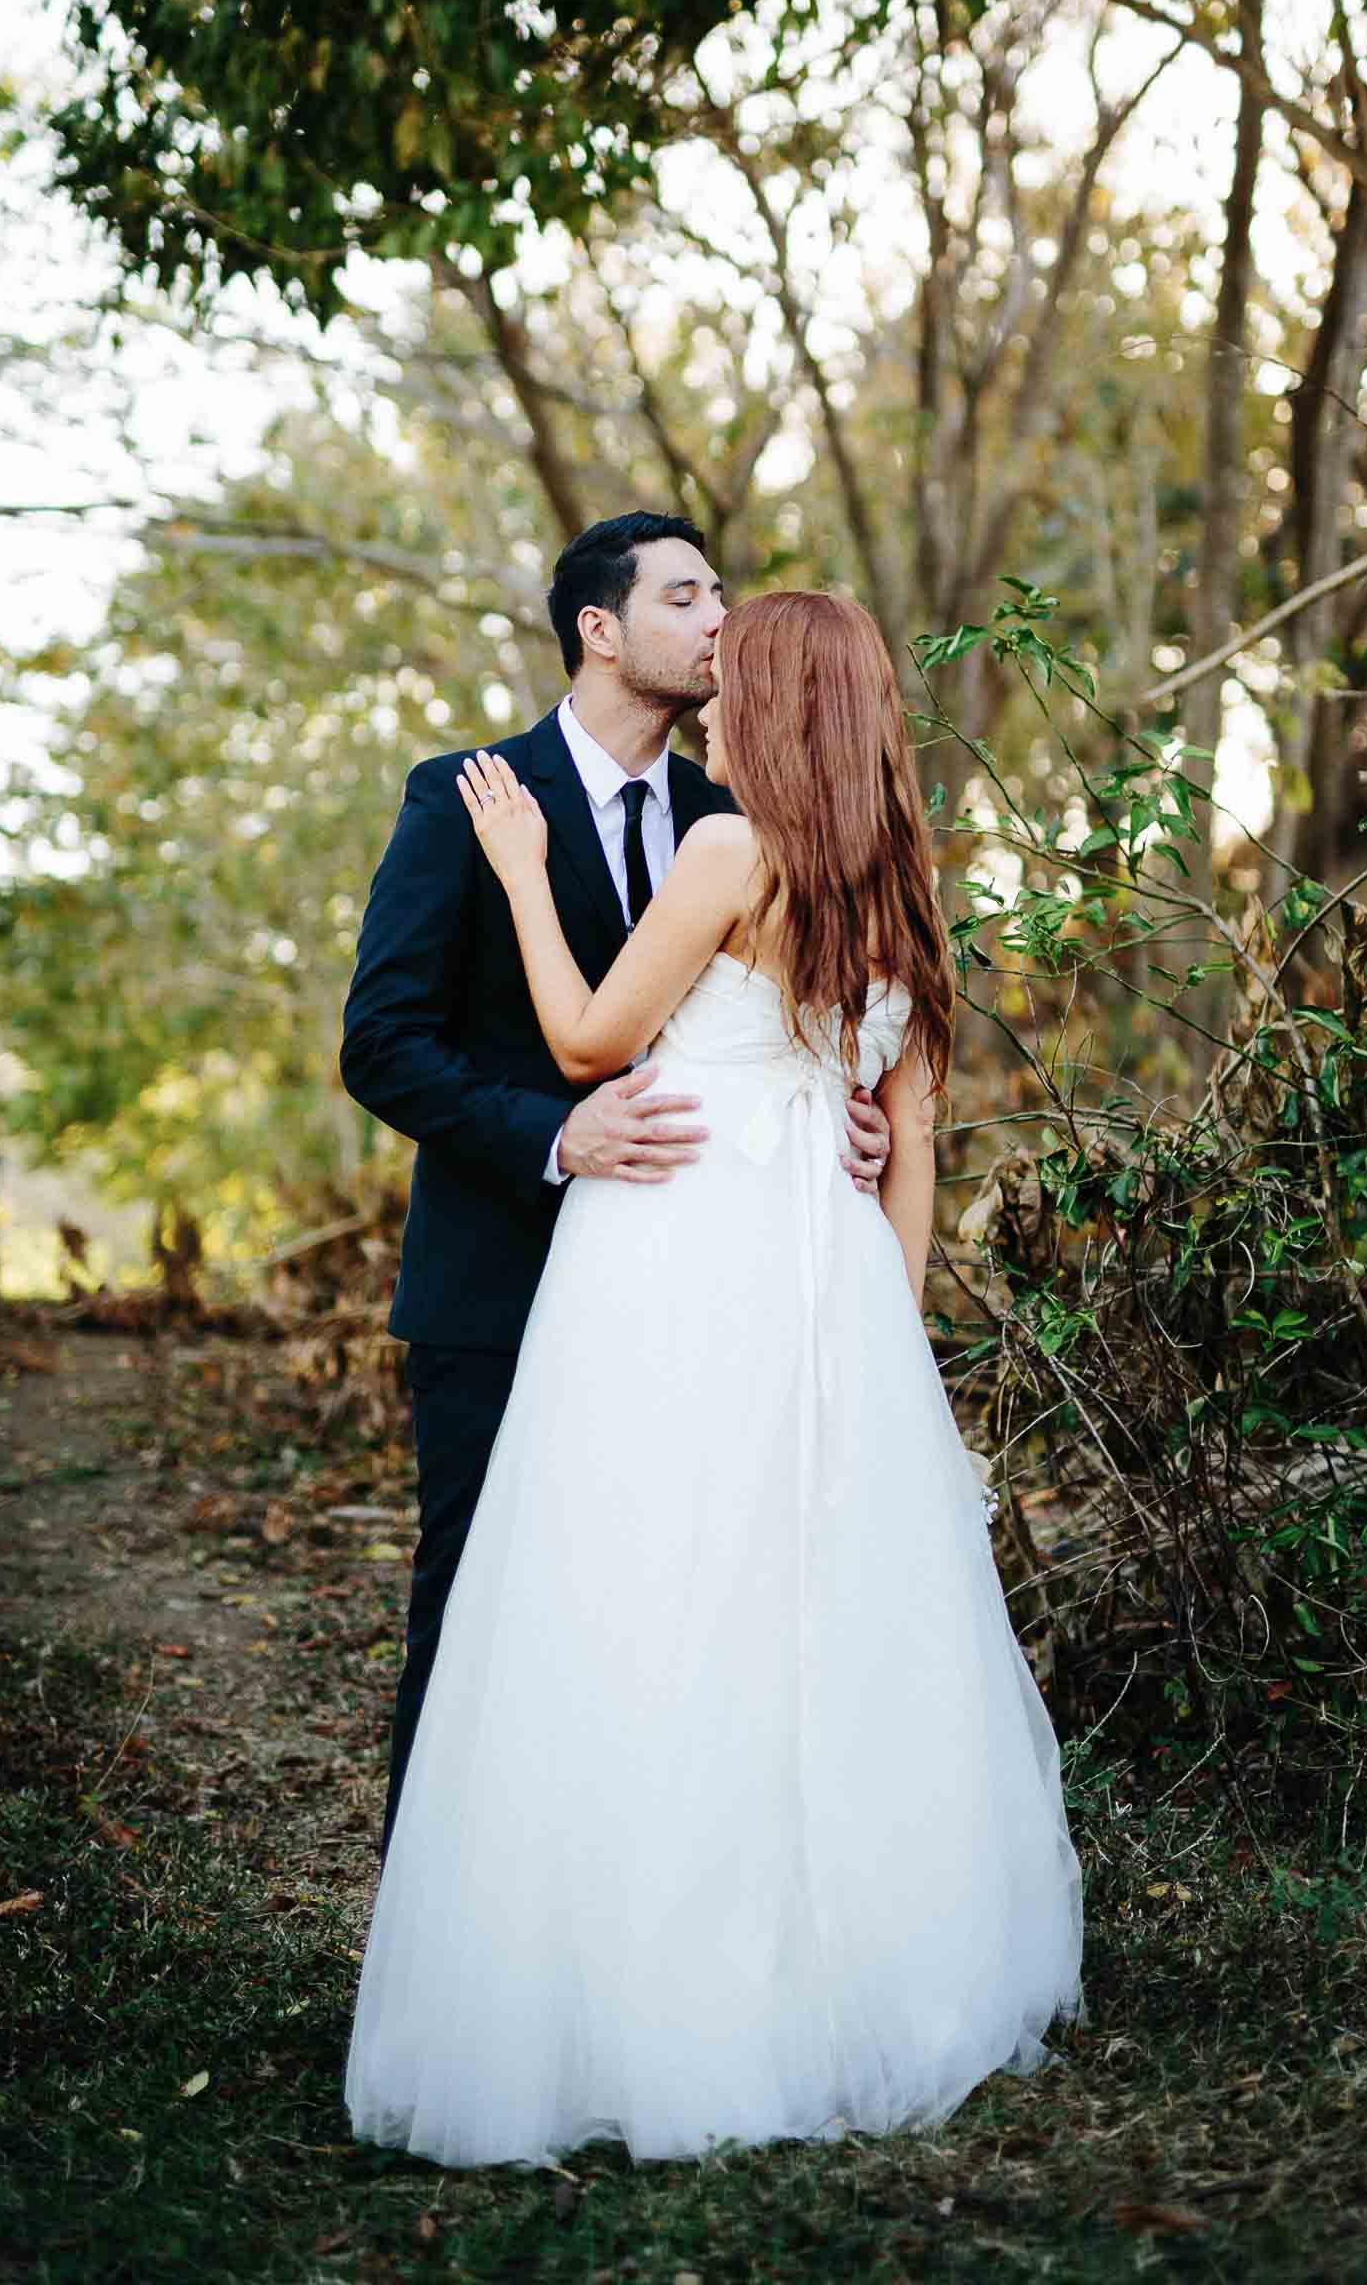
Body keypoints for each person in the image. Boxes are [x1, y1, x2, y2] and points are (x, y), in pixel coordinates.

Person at [346, 588, 1082, 2169]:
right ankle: (840, 1968)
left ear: (775, 712)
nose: (713, 700)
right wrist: (886, 1347)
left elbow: (591, 1040)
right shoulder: (902, 885)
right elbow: (913, 1138)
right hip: (827, 1287)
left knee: (645, 1594)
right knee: (807, 1620)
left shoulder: (726, 855)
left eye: (736, 679)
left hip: (676, 1268)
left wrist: (530, 882)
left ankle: (643, 1974)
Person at [340, 514, 892, 1852]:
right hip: (502, 1279)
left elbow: (789, 1024)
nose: (720, 621)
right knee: (475, 1607)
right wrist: (553, 1133)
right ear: (601, 627)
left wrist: (845, 1116)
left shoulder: (731, 817)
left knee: (668, 1608)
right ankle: (443, 1919)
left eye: (724, 597)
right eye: (688, 595)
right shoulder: (468, 795)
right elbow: (383, 1043)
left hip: (701, 1290)